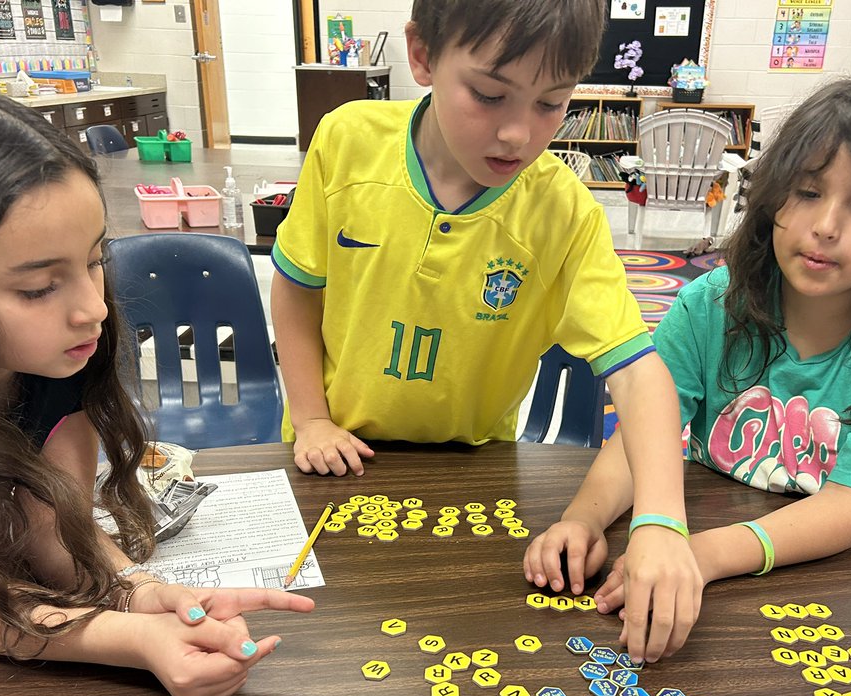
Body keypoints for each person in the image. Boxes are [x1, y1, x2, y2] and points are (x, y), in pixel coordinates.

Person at [271, 0, 697, 662]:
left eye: (551, 104)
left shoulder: (563, 212)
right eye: (489, 95)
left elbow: (639, 373)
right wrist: (312, 418)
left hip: (474, 470)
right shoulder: (347, 140)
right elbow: (298, 291)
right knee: (323, 650)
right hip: (332, 459)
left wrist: (663, 522)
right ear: (423, 57)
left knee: (468, 639)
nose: (517, 136)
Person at [0, 82, 314, 696]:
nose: (92, 310)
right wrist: (131, 640)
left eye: (94, 260)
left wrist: (141, 592)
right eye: (37, 289)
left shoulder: (57, 357)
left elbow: (55, 525)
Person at [525, 77, 851, 657]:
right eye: (806, 192)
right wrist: (584, 518)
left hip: (841, 596)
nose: (825, 226)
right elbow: (647, 431)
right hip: (706, 561)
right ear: (772, 196)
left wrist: (700, 552)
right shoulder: (713, 303)